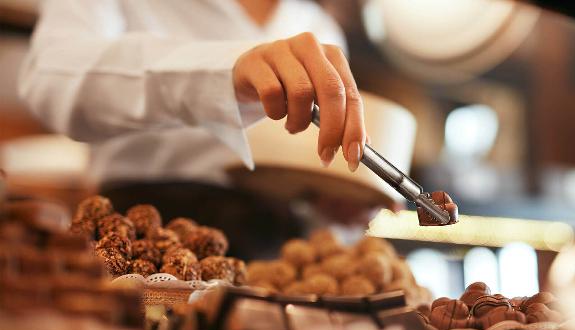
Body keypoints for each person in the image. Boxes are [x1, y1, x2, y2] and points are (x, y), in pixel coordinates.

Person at [18, 0, 368, 257]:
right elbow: (52, 76)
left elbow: (304, 178)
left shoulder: (316, 25)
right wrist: (226, 70)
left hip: (273, 255)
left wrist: (329, 206)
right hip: (141, 243)